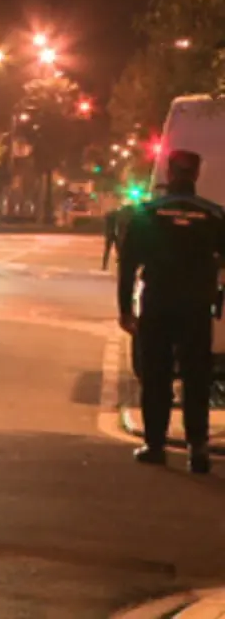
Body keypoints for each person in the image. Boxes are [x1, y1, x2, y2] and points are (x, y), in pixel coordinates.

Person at [118, 150, 225, 474]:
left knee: (157, 376)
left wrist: (125, 309)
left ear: (168, 170)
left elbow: (128, 265)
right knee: (196, 378)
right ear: (196, 174)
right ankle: (197, 449)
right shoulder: (214, 215)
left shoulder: (148, 214)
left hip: (158, 304)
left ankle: (154, 444)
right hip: (196, 305)